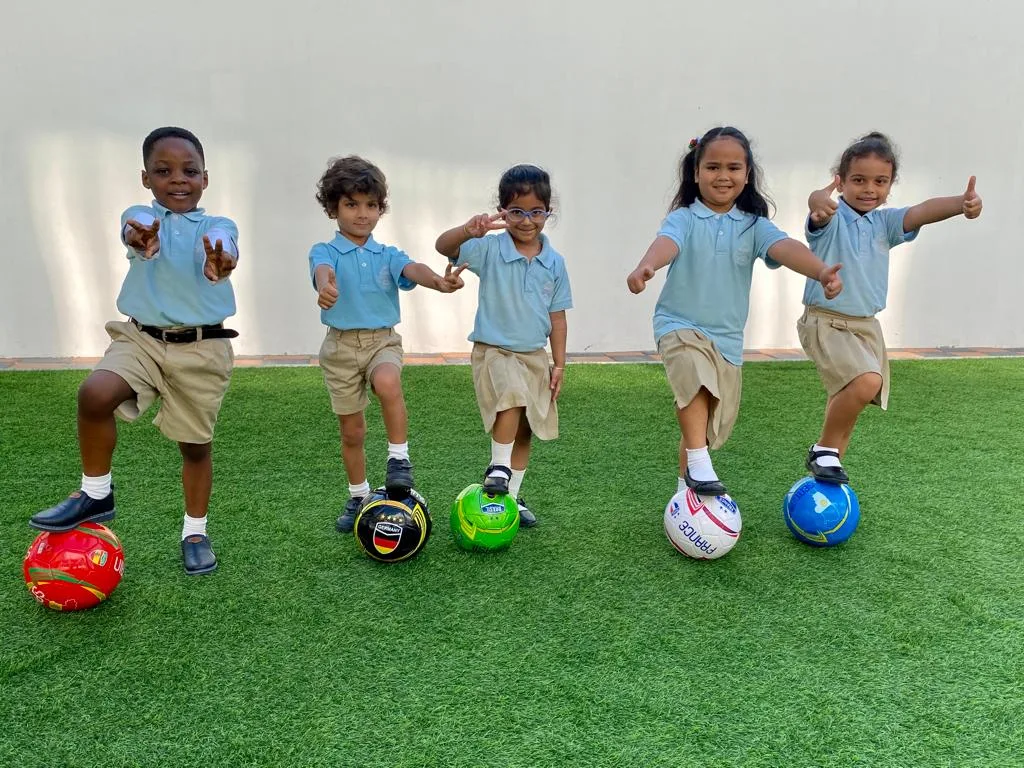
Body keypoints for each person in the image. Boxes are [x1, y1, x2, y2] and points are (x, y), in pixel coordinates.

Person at [29, 126, 241, 575]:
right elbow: (135, 232)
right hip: (141, 339)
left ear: (205, 178)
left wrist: (219, 262)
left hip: (202, 349)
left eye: (189, 171)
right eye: (163, 171)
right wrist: (142, 240)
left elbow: (226, 248)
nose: (178, 179)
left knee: (195, 448)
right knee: (95, 394)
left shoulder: (218, 226)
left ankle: (195, 531)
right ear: (146, 178)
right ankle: (96, 492)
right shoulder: (141, 217)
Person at [626, 126, 843, 497]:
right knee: (695, 384)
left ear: (747, 174)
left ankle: (685, 494)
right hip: (678, 324)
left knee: (706, 419)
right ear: (696, 173)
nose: (722, 176)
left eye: (733, 168)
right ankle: (698, 463)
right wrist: (647, 266)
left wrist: (821, 271)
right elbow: (666, 243)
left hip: (726, 338)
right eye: (712, 167)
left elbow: (785, 248)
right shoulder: (684, 218)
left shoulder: (754, 226)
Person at [799, 131, 982, 484]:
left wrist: (961, 203)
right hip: (826, 321)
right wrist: (818, 200)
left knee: (848, 401)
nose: (869, 189)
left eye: (880, 182)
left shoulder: (884, 223)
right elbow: (817, 207)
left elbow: (921, 211)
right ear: (841, 182)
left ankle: (825, 482)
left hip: (866, 325)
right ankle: (823, 450)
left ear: (890, 185)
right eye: (858, 180)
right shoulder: (831, 218)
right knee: (866, 381)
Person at [310, 155, 467, 533]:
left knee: (387, 381)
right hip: (340, 348)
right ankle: (358, 496)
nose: (362, 214)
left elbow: (412, 269)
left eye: (371, 205)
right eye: (351, 204)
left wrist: (438, 282)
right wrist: (325, 286)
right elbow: (321, 271)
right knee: (353, 432)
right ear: (333, 209)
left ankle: (399, 459)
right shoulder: (324, 251)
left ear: (381, 209)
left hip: (382, 341)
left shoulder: (387, 254)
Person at [434, 164, 572, 527]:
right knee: (511, 398)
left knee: (526, 427)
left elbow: (557, 317)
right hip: (495, 351)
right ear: (502, 212)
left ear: (548, 212)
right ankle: (498, 468)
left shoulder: (554, 263)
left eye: (536, 212)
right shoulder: (490, 249)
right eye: (516, 212)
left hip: (534, 356)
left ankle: (510, 497)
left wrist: (559, 364)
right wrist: (468, 230)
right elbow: (443, 246)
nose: (527, 221)